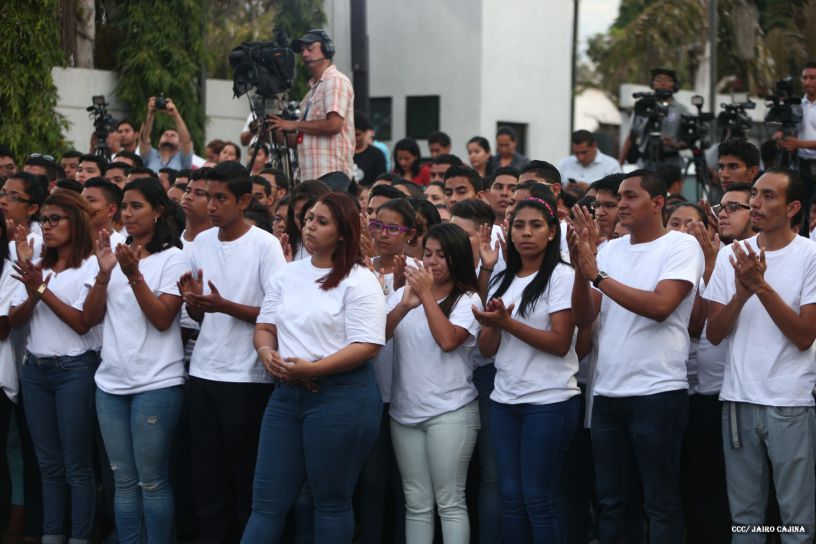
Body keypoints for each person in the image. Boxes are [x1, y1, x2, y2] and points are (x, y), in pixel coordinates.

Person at [569, 169, 704, 544]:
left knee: (660, 503)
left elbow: (661, 306)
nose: (620, 206)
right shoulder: (609, 250)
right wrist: (582, 269)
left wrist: (597, 276)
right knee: (614, 503)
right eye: (616, 199)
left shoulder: (680, 246)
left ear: (658, 203)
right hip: (608, 393)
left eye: (630, 197)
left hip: (658, 392)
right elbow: (584, 317)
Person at [242, 192, 385, 542]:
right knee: (265, 503)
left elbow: (367, 345)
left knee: (331, 502)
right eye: (308, 219)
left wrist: (314, 369)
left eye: (322, 222)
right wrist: (265, 353)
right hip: (287, 395)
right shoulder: (287, 274)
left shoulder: (360, 279)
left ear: (342, 232)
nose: (310, 227)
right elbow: (265, 328)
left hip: (342, 397)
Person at [176, 161, 285, 543]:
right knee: (206, 476)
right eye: (207, 196)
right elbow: (198, 312)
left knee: (244, 476)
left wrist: (224, 305)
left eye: (221, 198)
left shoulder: (265, 245)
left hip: (246, 377)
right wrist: (194, 301)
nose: (211, 206)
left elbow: (276, 312)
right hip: (204, 371)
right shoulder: (202, 242)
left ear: (244, 201)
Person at [705, 168, 816, 543]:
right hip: (737, 401)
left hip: (791, 403)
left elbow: (804, 336)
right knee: (746, 520)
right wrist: (741, 294)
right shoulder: (731, 256)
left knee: (796, 520)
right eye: (754, 193)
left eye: (768, 196)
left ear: (793, 207)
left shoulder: (810, 255)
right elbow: (714, 333)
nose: (755, 202)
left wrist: (760, 287)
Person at [84, 177, 190, 544]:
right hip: (110, 384)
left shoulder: (174, 257)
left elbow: (162, 319)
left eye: (136, 206)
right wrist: (103, 274)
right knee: (123, 480)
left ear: (158, 211)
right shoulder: (113, 251)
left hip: (156, 384)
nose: (127, 215)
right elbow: (91, 317)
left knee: (152, 480)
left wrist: (133, 276)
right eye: (124, 207)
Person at [474, 196, 579, 542]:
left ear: (552, 233)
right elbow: (487, 349)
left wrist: (507, 323)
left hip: (548, 401)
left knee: (539, 498)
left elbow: (561, 342)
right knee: (511, 498)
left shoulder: (561, 275)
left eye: (536, 226)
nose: (526, 233)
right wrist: (491, 324)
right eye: (519, 226)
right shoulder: (503, 277)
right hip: (505, 400)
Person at [9, 189, 100, 544]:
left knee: (76, 466)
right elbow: (15, 320)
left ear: (75, 222)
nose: (46, 226)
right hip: (34, 369)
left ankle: (77, 537)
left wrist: (42, 291)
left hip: (74, 370)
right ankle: (51, 535)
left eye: (54, 219)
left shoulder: (92, 263)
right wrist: (34, 288)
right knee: (48, 465)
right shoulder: (39, 267)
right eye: (43, 220)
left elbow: (81, 322)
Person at [386, 223, 481, 544]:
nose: (432, 261)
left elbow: (448, 340)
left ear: (458, 259)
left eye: (442, 255)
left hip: (450, 412)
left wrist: (426, 296)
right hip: (404, 414)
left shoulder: (470, 299)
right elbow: (376, 337)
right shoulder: (404, 294)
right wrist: (403, 305)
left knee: (450, 502)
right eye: (427, 254)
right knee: (416, 504)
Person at [357, 198, 418, 542]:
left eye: (393, 228)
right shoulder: (355, 268)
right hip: (371, 391)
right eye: (378, 225)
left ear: (409, 234)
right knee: (372, 481)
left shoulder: (419, 269)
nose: (383, 234)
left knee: (405, 484)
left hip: (408, 392)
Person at [269, 29, 354, 184]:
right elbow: (303, 138)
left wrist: (292, 124)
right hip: (311, 177)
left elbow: (334, 125)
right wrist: (277, 133)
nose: (305, 54)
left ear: (327, 50)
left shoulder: (335, 80)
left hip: (330, 173)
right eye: (302, 51)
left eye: (310, 49)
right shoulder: (312, 92)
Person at [619, 68, 690, 170]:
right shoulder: (643, 107)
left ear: (674, 84)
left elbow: (688, 141)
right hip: (645, 163)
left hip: (671, 162)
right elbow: (632, 135)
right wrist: (619, 163)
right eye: (658, 80)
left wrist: (675, 144)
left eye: (666, 80)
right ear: (652, 84)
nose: (662, 83)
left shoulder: (681, 109)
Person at [777, 62, 816, 232]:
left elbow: (799, 141)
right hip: (802, 164)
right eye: (805, 78)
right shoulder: (797, 104)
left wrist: (799, 144)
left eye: (813, 78)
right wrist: (782, 137)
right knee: (803, 207)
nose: (808, 82)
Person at [139, 96, 194, 172]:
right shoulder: (150, 156)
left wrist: (175, 114)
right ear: (158, 143)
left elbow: (186, 140)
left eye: (173, 135)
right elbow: (143, 138)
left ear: (180, 145)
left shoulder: (183, 158)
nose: (169, 136)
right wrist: (150, 114)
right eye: (165, 134)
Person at [81, 178, 126, 246]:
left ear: (111, 210)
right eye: (80, 199)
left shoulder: (122, 247)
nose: (81, 204)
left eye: (91, 200)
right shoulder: (68, 242)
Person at [354, 112, 387, 186]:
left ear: (366, 132)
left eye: (358, 134)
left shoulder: (377, 155)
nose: (354, 138)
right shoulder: (343, 154)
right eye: (351, 134)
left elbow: (381, 183)